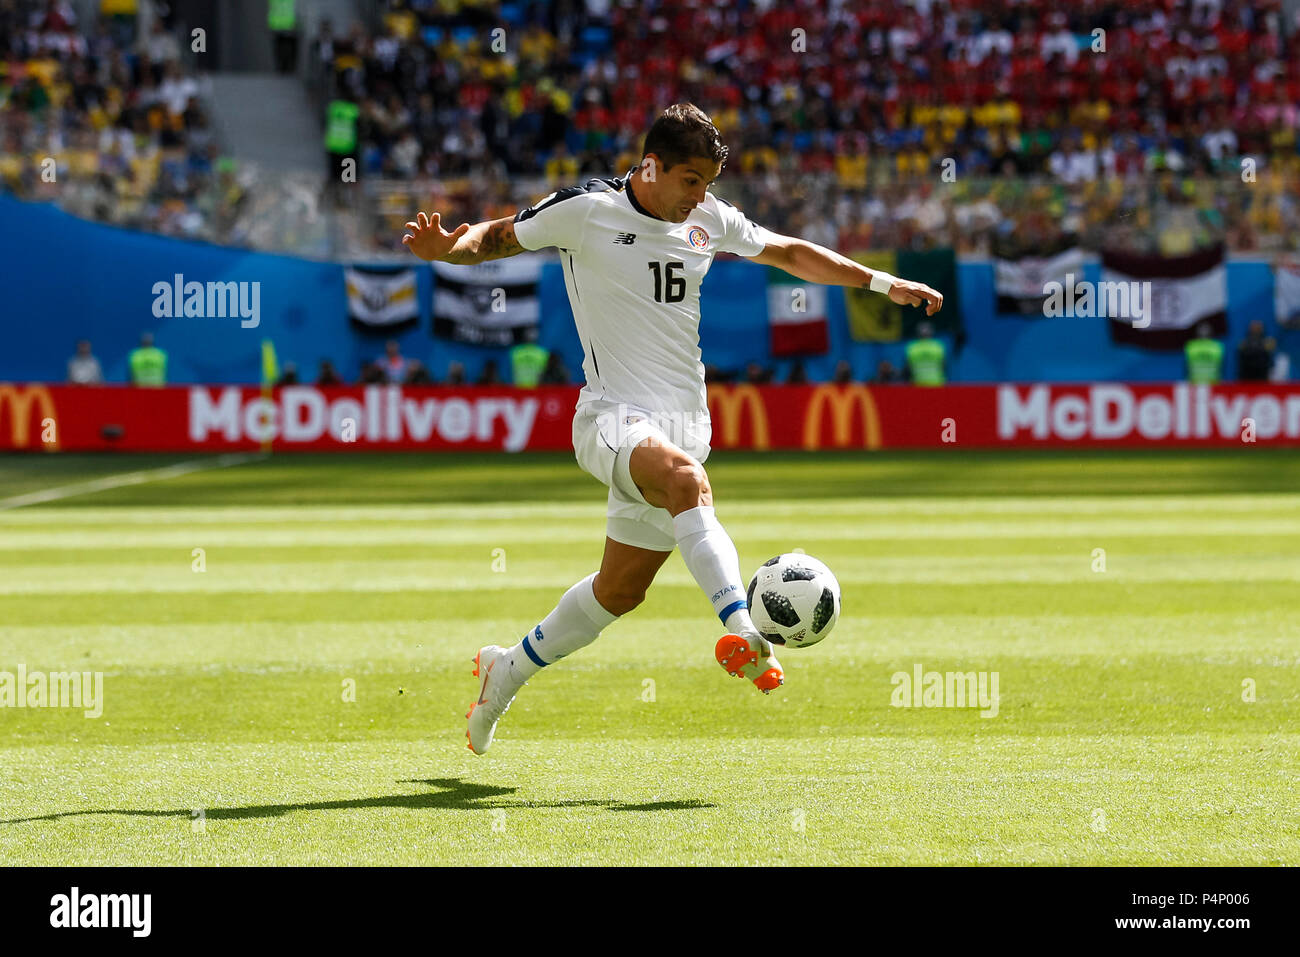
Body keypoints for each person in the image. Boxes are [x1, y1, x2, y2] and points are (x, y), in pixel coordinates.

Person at [403, 103, 943, 754]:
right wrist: (446, 250)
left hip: (685, 423)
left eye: (708, 183)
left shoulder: (706, 220)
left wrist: (883, 283)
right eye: (691, 180)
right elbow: (494, 237)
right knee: (688, 483)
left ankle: (506, 667)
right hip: (609, 417)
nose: (701, 196)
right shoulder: (586, 211)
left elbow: (790, 252)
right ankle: (744, 629)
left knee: (619, 592)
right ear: (651, 167)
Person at [905, 321, 946, 386]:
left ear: (918, 333)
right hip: (936, 384)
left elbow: (908, 368)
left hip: (918, 384)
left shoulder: (912, 348)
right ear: (931, 333)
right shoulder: (938, 347)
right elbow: (943, 366)